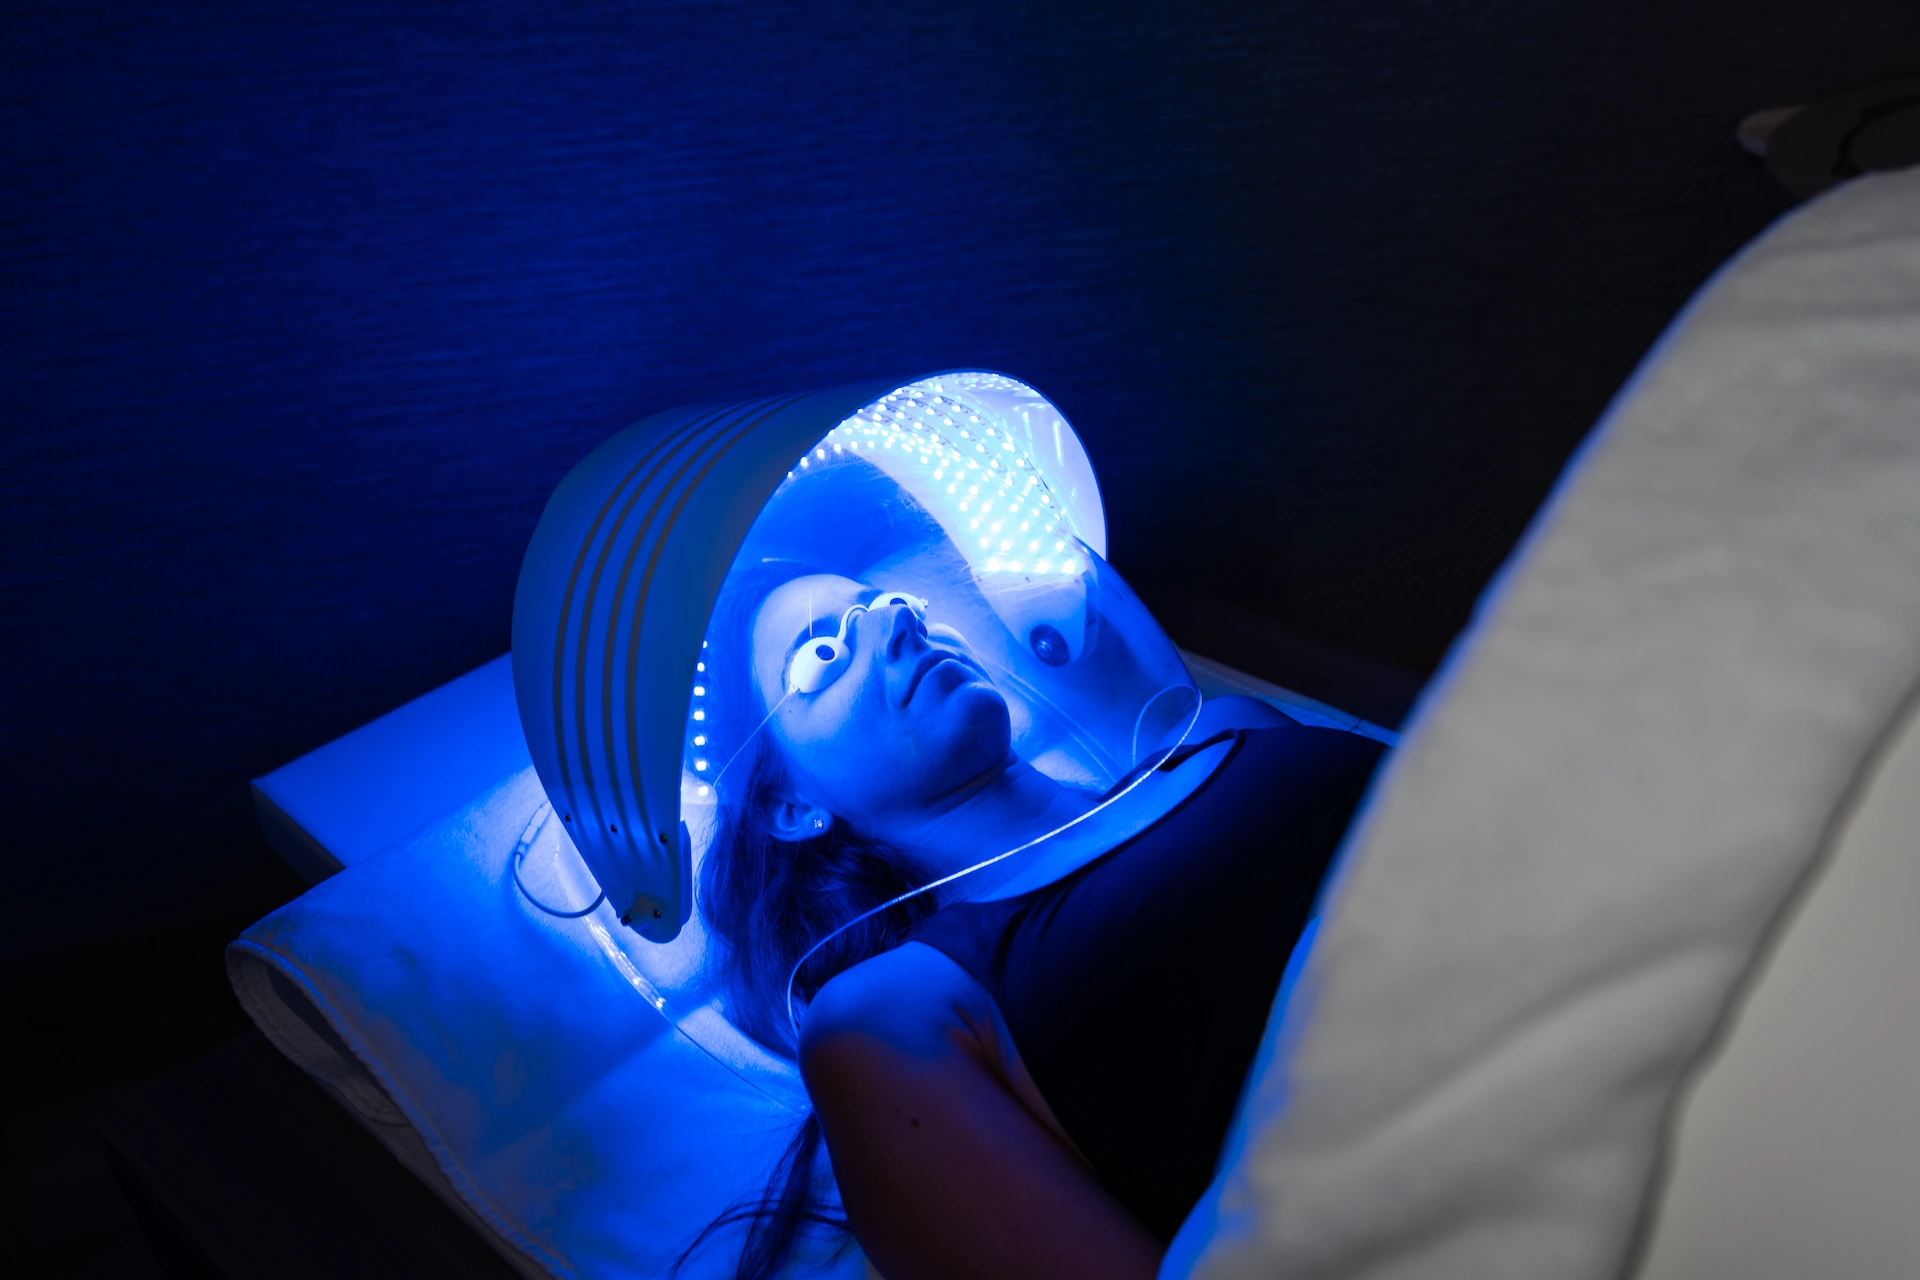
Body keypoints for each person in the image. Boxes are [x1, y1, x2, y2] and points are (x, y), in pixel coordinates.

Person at [688, 564, 1387, 1280]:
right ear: (787, 806)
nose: (901, 622)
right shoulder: (886, 1016)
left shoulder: (1229, 728)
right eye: (822, 655)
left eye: (890, 602)